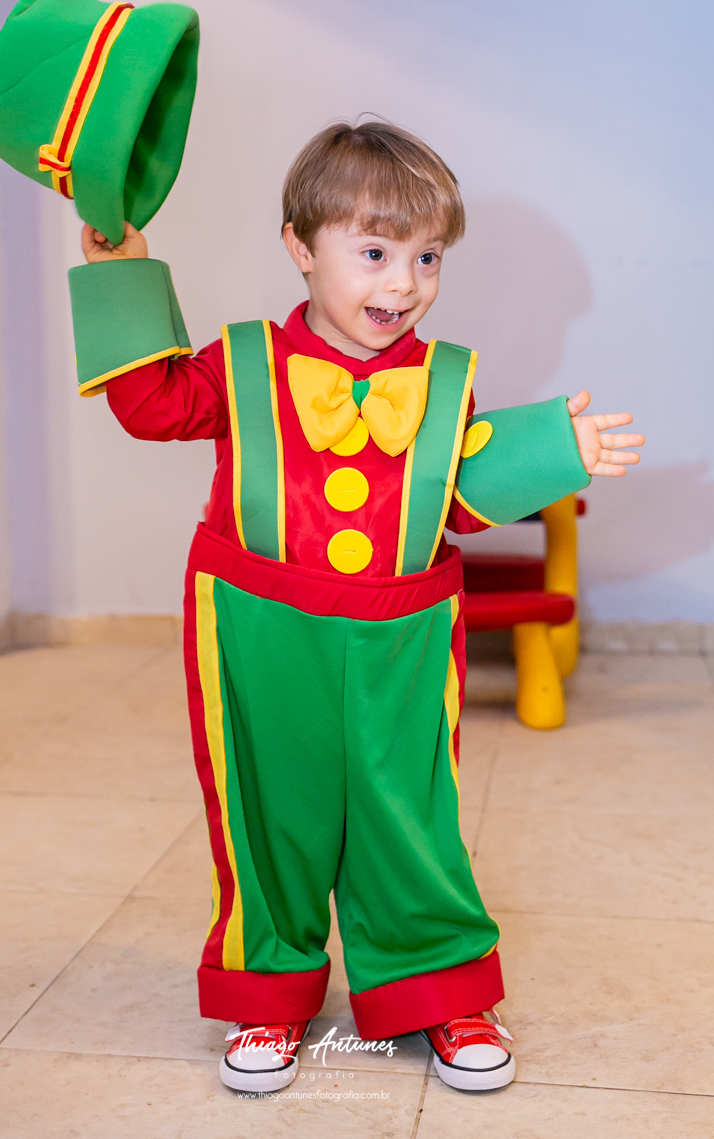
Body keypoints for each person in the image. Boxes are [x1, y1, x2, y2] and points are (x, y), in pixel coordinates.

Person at [68, 120, 644, 1095]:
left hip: (401, 634)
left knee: (406, 811)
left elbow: (451, 499)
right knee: (266, 809)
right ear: (301, 247)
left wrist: (558, 451)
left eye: (425, 258)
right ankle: (266, 996)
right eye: (373, 253)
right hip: (258, 624)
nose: (402, 282)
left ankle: (439, 987)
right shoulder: (240, 359)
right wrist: (126, 271)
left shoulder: (444, 381)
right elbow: (152, 405)